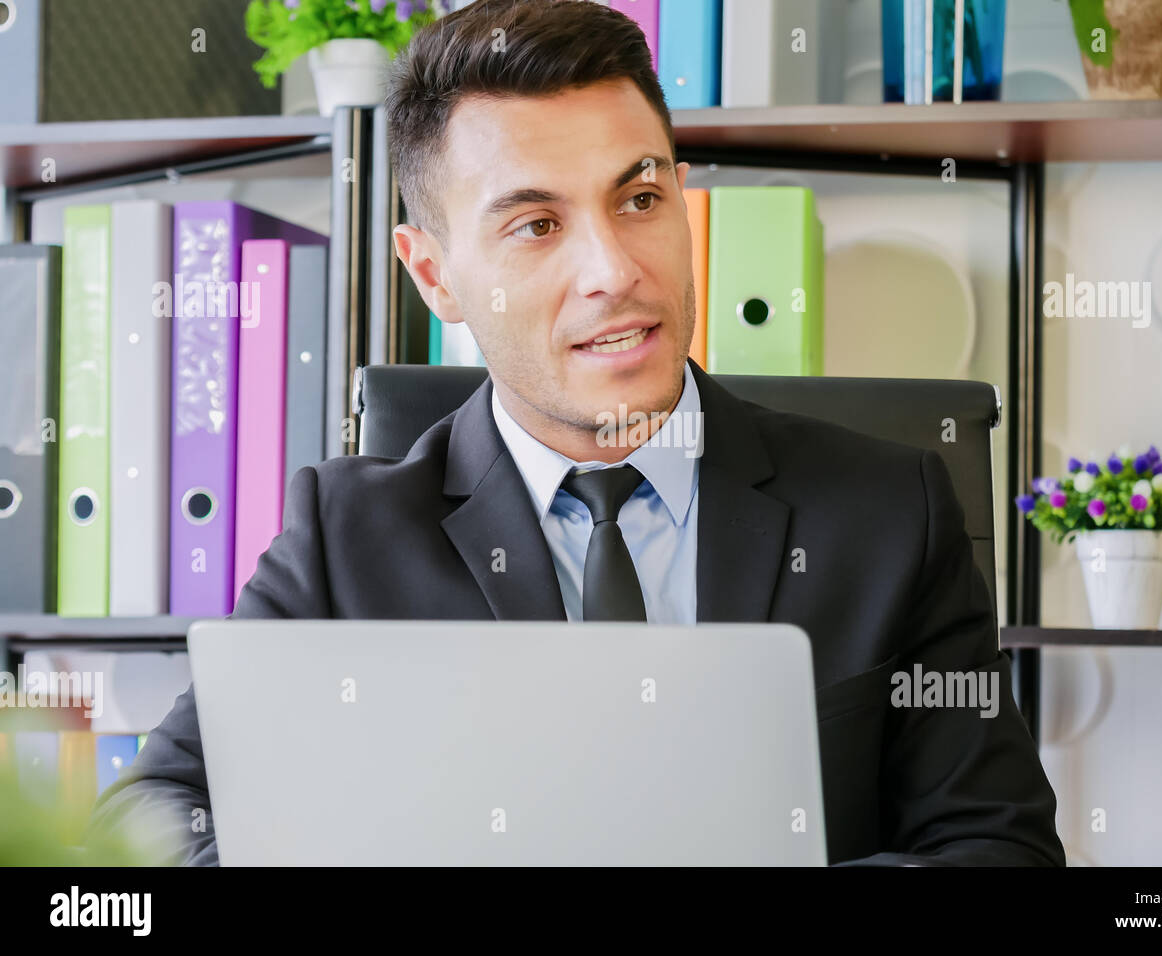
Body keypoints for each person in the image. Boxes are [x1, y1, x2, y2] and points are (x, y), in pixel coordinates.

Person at [86, 0, 1065, 867]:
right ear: (434, 275)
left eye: (638, 199)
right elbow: (148, 818)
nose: (612, 268)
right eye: (535, 226)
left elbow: (995, 842)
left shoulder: (888, 511)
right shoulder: (345, 538)